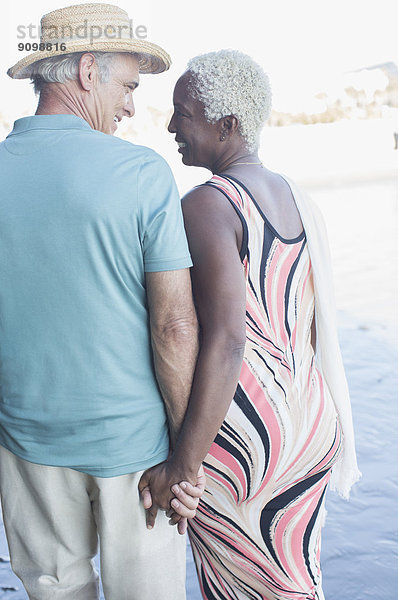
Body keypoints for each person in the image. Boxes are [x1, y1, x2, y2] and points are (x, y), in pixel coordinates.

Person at [0, 4, 202, 599]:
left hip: (25, 443)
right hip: (133, 450)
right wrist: (184, 457)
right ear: (89, 70)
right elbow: (173, 325)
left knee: (54, 590)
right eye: (129, 86)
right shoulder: (141, 171)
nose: (133, 106)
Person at [160, 49, 362, 600]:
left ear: (227, 125)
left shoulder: (208, 205)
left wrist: (182, 463)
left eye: (183, 111)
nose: (171, 124)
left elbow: (227, 341)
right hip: (312, 424)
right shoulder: (294, 195)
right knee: (293, 584)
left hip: (247, 435)